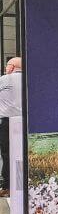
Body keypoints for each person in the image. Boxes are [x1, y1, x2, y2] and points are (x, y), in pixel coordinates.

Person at [0, 57, 22, 197]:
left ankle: (7, 186)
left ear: (13, 66)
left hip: (7, 122)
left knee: (7, 154)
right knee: (20, 153)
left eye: (7, 65)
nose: (5, 68)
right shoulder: (29, 80)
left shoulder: (4, 79)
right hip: (24, 122)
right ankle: (20, 184)